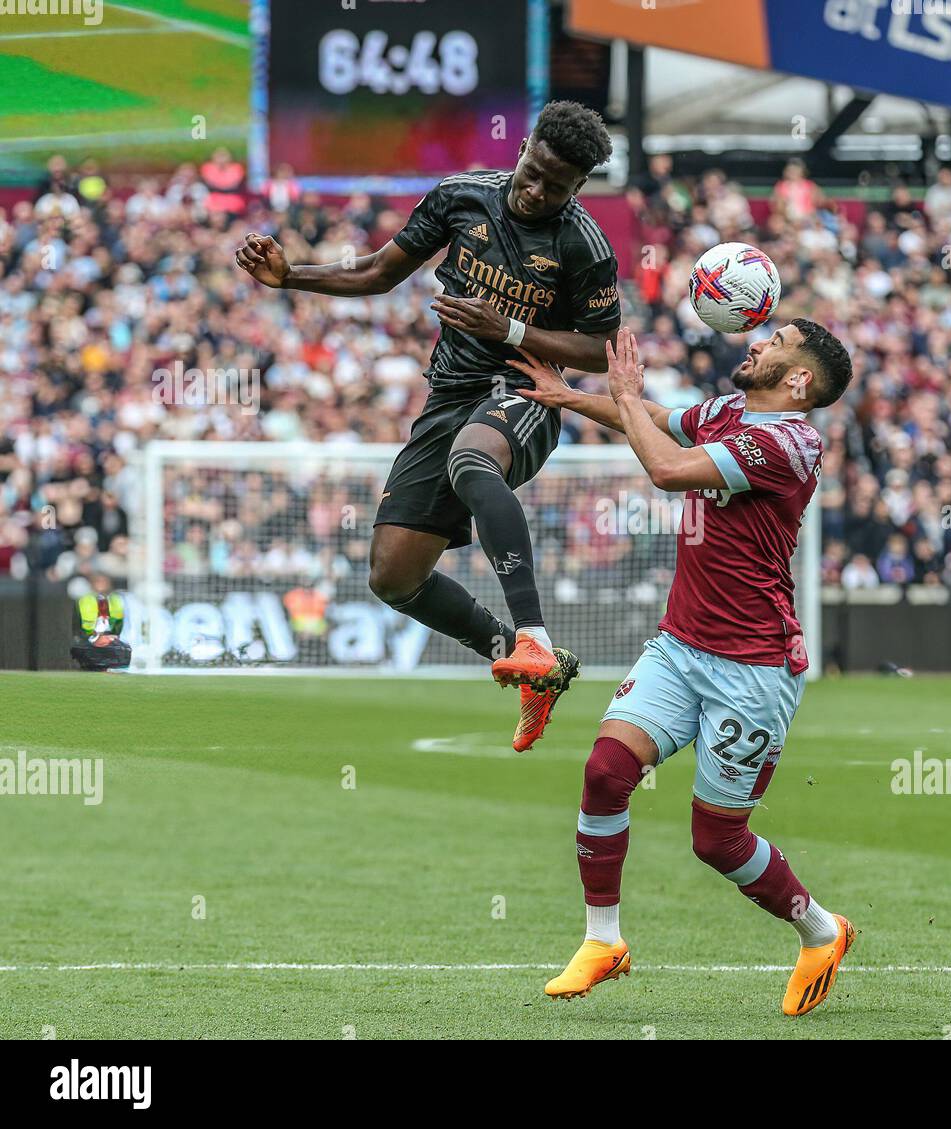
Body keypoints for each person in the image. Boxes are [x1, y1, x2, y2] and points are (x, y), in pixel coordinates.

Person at [235, 102, 621, 750]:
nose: (535, 190)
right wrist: (289, 275)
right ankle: (525, 663)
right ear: (523, 147)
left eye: (555, 186)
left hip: (528, 386)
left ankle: (534, 635)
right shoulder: (462, 196)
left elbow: (605, 346)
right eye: (532, 171)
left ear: (578, 187)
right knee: (393, 576)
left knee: (474, 461)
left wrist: (513, 330)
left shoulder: (582, 245)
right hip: (449, 394)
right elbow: (382, 270)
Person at [508, 320, 858, 1017]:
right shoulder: (728, 413)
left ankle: (821, 929)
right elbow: (658, 420)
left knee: (716, 839)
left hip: (754, 666)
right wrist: (570, 395)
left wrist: (627, 395)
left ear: (800, 380)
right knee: (605, 771)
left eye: (777, 340)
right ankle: (602, 939)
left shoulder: (786, 443)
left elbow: (667, 468)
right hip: (681, 643)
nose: (756, 341)